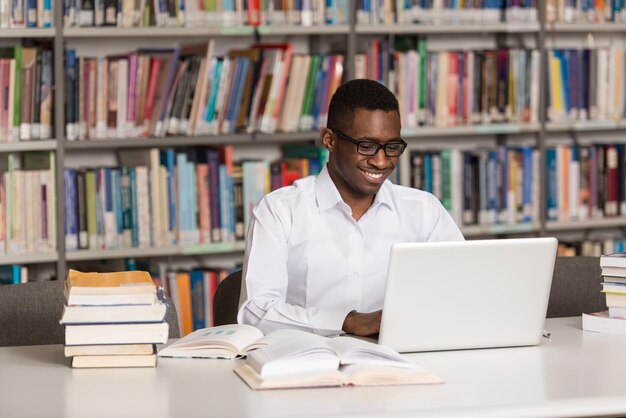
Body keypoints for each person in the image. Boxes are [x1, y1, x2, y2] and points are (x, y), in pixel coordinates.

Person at [237, 79, 464, 337]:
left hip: (398, 361)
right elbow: (255, 312)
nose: (381, 161)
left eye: (392, 147)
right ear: (330, 140)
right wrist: (346, 321)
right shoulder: (280, 211)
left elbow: (462, 289)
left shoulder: (424, 211)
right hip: (303, 363)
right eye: (366, 146)